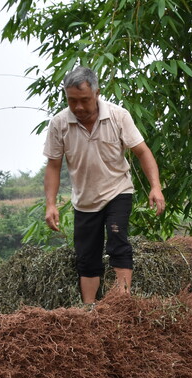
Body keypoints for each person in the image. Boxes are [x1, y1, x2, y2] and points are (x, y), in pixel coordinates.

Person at [43, 65, 166, 304]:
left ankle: (122, 302)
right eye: (72, 101)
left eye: (84, 100)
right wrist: (51, 204)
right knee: (86, 256)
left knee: (117, 240)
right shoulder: (59, 123)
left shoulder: (118, 116)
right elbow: (53, 165)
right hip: (84, 200)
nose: (78, 107)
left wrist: (156, 187)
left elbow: (142, 152)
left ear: (97, 93)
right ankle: (90, 309)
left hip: (117, 190)